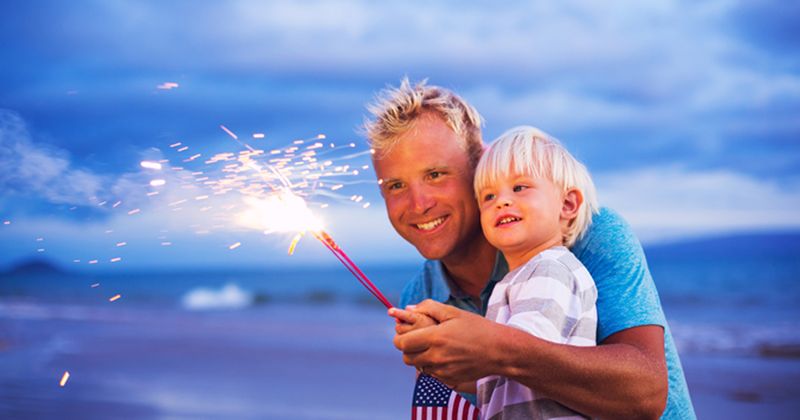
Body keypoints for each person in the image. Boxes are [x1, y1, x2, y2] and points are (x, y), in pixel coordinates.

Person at [365, 78, 695, 419]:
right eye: (396, 185)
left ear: (479, 165)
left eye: (435, 174)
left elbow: (646, 394)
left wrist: (497, 348)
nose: (418, 204)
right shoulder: (420, 297)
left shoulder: (586, 233)